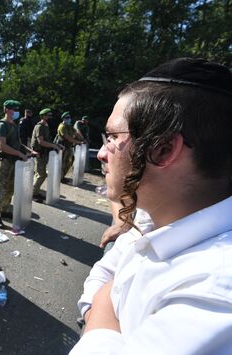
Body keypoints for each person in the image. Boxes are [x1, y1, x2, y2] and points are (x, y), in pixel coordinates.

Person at [70, 58, 232, 354]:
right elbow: (100, 276)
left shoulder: (217, 292)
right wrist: (105, 322)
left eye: (112, 137)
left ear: (164, 149)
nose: (103, 154)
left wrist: (105, 308)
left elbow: (102, 291)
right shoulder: (150, 219)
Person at [0, 100, 29, 229]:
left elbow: (17, 143)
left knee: (11, 188)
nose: (17, 111)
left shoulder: (14, 124)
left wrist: (29, 151)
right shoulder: (2, 125)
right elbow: (2, 146)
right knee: (1, 189)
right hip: (5, 161)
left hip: (14, 162)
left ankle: (4, 210)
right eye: (14, 109)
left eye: (17, 109)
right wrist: (19, 154)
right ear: (7, 110)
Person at [31, 108, 63, 202]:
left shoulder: (46, 125)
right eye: (47, 115)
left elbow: (47, 140)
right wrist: (54, 146)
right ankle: (33, 194)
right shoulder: (40, 126)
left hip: (44, 153)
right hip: (39, 153)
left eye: (49, 115)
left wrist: (57, 145)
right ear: (43, 116)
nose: (49, 117)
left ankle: (35, 192)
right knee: (41, 175)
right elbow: (41, 142)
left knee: (41, 174)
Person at [55, 111, 83, 181]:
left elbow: (76, 133)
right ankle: (60, 177)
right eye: (67, 118)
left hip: (69, 147)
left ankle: (62, 176)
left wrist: (83, 139)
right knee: (62, 162)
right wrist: (79, 142)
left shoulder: (69, 126)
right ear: (63, 119)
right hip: (62, 147)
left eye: (69, 117)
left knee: (70, 161)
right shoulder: (62, 127)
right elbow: (68, 138)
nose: (69, 119)